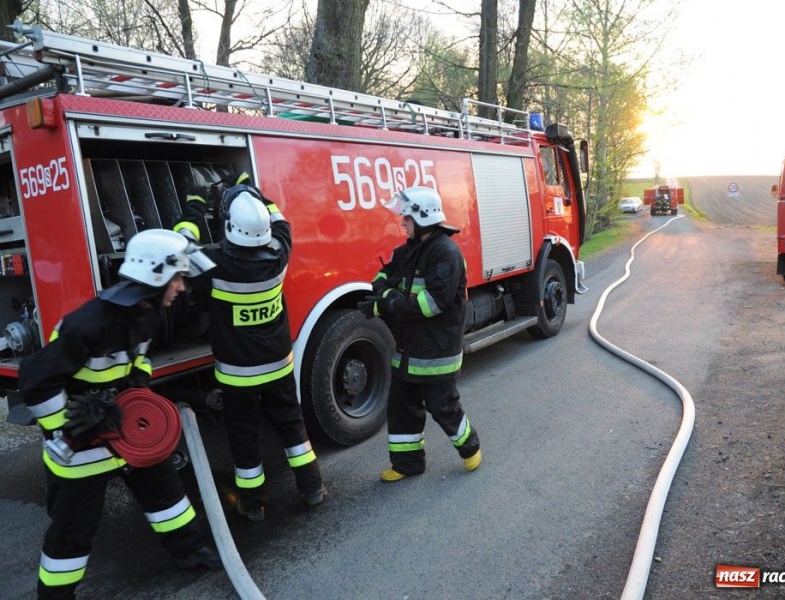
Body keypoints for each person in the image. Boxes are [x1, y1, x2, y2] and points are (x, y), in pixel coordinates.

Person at [19, 229, 222, 600]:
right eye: (178, 278)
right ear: (156, 276)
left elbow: (137, 363)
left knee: (167, 495)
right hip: (80, 448)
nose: (182, 287)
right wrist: (68, 425)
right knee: (72, 533)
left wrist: (136, 396)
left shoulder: (148, 315)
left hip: (126, 430)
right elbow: (35, 382)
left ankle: (193, 553)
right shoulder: (86, 325)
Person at [174, 173, 325, 522]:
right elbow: (281, 221)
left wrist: (196, 208)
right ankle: (313, 486)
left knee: (244, 436)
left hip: (238, 375)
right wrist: (253, 189)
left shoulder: (216, 266)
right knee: (292, 427)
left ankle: (253, 503)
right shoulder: (279, 254)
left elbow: (181, 245)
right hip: (278, 365)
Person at [359, 186, 482, 481]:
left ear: (423, 218)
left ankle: (471, 449)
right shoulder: (410, 249)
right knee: (401, 406)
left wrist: (387, 303)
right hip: (409, 346)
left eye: (406, 219)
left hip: (436, 350)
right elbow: (382, 276)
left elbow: (432, 304)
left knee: (442, 406)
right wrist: (387, 293)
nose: (402, 224)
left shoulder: (446, 253)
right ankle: (407, 464)